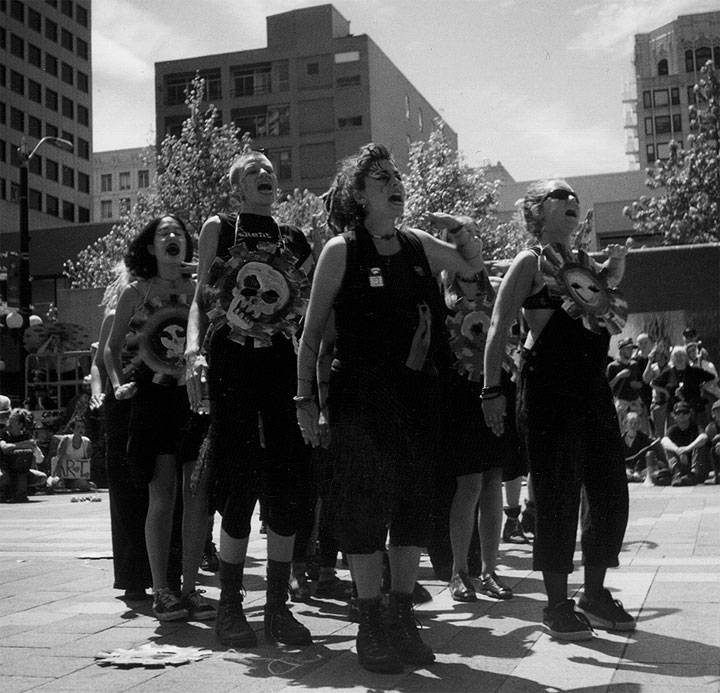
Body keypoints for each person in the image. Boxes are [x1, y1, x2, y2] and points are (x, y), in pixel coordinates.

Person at [295, 143, 486, 674]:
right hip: (361, 400)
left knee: (412, 508)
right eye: (380, 178)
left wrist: (462, 229)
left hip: (418, 397)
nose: (394, 184)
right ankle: (370, 622)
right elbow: (311, 336)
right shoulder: (341, 251)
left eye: (396, 176)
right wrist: (305, 399)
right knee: (363, 509)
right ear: (359, 195)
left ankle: (401, 615)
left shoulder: (419, 244)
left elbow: (472, 267)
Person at [482, 179, 636, 641]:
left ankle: (595, 594)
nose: (571, 201)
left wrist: (615, 271)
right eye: (559, 196)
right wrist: (491, 391)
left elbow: (598, 315)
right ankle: (556, 605)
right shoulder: (529, 261)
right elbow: (498, 325)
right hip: (548, 390)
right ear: (536, 209)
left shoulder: (586, 264)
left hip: (592, 388)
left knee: (610, 490)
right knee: (556, 494)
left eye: (574, 197)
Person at [185, 148, 314, 648]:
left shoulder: (294, 239)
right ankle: (230, 607)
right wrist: (193, 350)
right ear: (237, 187)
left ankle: (278, 608)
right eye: (254, 171)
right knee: (237, 477)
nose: (266, 176)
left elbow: (311, 307)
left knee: (287, 480)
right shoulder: (219, 227)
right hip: (231, 360)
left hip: (281, 363)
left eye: (270, 172)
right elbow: (201, 298)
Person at [105, 214, 212, 623]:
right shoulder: (135, 291)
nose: (172, 237)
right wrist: (118, 385)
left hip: (194, 399)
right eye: (163, 233)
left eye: (178, 233)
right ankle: (162, 591)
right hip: (153, 402)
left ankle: (190, 588)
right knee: (162, 496)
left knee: (198, 496)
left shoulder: (199, 290)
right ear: (150, 247)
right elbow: (112, 348)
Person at [442, 260, 514, 602]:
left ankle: (489, 571)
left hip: (495, 389)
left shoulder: (496, 296)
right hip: (460, 397)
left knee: (492, 481)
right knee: (469, 483)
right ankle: (458, 572)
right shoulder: (442, 301)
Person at [91, 264, 153, 601]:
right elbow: (99, 362)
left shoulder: (169, 309)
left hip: (156, 399)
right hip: (121, 404)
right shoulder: (115, 316)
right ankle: (132, 576)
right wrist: (99, 393)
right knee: (126, 489)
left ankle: (164, 573)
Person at [652, 346, 715, 429]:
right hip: (675, 411)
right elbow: (653, 383)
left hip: (695, 409)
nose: (679, 358)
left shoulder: (695, 371)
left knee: (698, 432)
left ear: (685, 357)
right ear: (672, 359)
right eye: (676, 356)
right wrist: (666, 392)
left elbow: (713, 378)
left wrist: (703, 387)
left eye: (681, 355)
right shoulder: (669, 373)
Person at [0, 407, 47, 502]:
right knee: (4, 478)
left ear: (20, 424)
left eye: (13, 420)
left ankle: (19, 493)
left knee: (41, 477)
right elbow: (4, 448)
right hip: (5, 470)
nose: (9, 422)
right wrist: (23, 444)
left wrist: (33, 447)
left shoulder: (26, 436)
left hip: (22, 471)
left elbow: (40, 459)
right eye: (10, 419)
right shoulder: (4, 434)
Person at [661, 401, 708, 486]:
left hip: (697, 467)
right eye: (678, 413)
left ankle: (693, 475)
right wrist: (677, 450)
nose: (681, 415)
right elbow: (664, 441)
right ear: (674, 415)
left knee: (698, 445)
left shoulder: (695, 427)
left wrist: (687, 449)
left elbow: (704, 437)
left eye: (685, 412)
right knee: (668, 447)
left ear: (689, 414)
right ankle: (677, 474)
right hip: (681, 464)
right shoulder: (672, 429)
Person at [47, 417, 92, 490]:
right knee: (56, 484)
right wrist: (58, 476)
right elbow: (59, 459)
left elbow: (87, 461)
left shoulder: (87, 442)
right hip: (61, 474)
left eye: (82, 427)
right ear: (72, 429)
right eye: (78, 427)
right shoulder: (66, 440)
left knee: (84, 485)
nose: (81, 429)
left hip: (76, 477)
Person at [704, 400, 720, 484]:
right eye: (718, 411)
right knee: (712, 450)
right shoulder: (710, 428)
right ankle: (717, 475)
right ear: (713, 414)